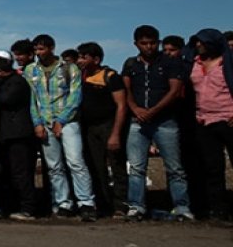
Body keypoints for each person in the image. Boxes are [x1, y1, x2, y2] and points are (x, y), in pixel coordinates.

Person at [121, 25, 193, 221]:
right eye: (144, 43)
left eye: (152, 43)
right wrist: (135, 109)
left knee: (174, 167)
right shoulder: (130, 64)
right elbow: (126, 89)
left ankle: (181, 207)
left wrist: (153, 110)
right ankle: (136, 206)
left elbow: (174, 90)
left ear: (158, 43)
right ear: (136, 44)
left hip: (164, 120)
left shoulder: (170, 63)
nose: (148, 47)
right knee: (136, 167)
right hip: (138, 121)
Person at [25, 34, 96, 222]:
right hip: (45, 121)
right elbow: (32, 100)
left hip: (68, 121)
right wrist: (37, 123)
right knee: (54, 166)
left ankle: (86, 203)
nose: (38, 52)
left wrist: (62, 120)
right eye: (36, 49)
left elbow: (75, 97)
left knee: (75, 162)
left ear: (51, 48)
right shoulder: (31, 70)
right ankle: (63, 203)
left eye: (42, 48)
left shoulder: (69, 68)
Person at [75, 42, 128, 217]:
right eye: (79, 57)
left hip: (108, 125)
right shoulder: (80, 77)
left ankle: (121, 205)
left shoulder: (110, 76)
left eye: (84, 57)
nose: (80, 61)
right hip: (89, 128)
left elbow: (121, 105)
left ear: (96, 59)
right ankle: (103, 204)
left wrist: (115, 133)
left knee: (117, 165)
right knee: (95, 166)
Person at [0, 55, 37, 220]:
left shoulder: (17, 83)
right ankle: (14, 205)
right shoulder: (11, 82)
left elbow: (2, 99)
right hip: (8, 134)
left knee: (21, 172)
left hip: (18, 134)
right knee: (9, 172)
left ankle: (28, 208)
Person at [189, 28, 233, 221]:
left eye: (203, 42)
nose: (199, 45)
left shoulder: (228, 62)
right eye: (197, 42)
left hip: (228, 119)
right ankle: (218, 209)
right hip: (204, 120)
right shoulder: (194, 63)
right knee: (212, 167)